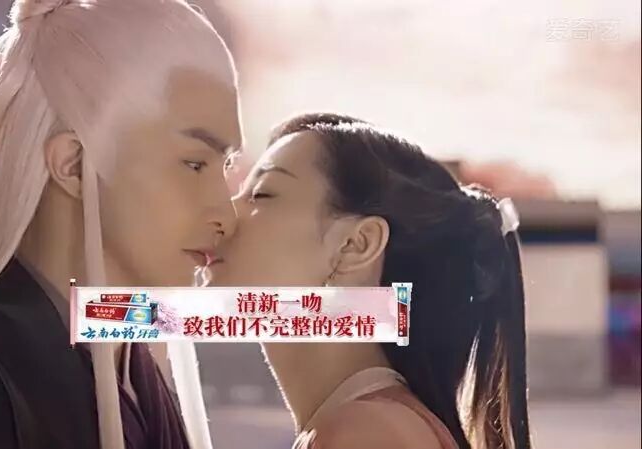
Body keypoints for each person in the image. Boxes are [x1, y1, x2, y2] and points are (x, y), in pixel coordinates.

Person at [0, 1, 241, 448]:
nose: (225, 217)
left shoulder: (134, 381)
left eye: (225, 167)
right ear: (72, 164)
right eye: (194, 164)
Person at [208, 113, 532, 449]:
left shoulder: (365, 434)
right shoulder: (370, 423)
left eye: (262, 194)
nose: (223, 214)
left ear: (355, 245)